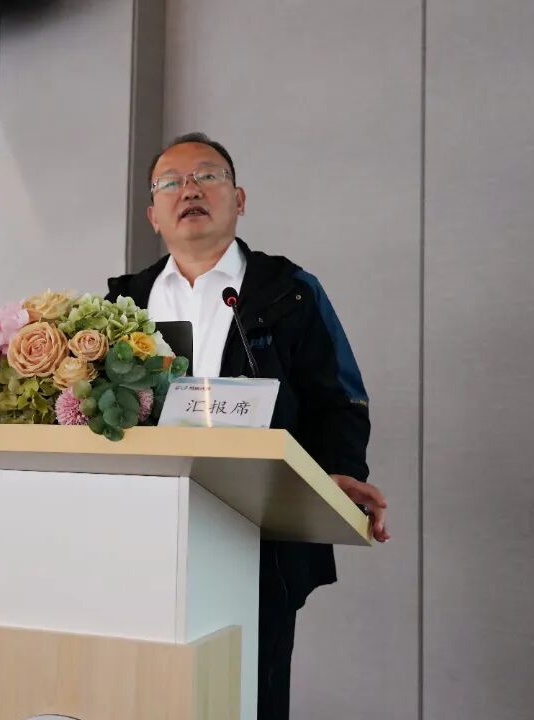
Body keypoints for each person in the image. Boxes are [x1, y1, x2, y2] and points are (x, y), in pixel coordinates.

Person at [105, 132, 390, 719]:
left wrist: (336, 475)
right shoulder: (121, 304)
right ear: (153, 215)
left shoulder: (288, 293)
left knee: (246, 697)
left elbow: (340, 402)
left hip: (258, 539)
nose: (189, 189)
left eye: (207, 176)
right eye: (170, 182)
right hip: (141, 535)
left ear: (238, 199)